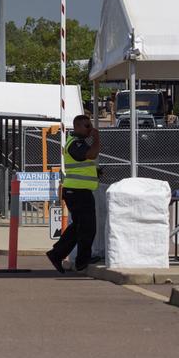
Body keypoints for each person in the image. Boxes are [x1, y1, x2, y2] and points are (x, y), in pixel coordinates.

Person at [46, 115, 100, 273]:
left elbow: (82, 164)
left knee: (78, 227)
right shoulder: (75, 143)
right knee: (87, 227)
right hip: (77, 192)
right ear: (77, 127)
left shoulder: (78, 142)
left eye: (90, 126)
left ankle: (57, 254)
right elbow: (91, 154)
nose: (90, 129)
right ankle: (82, 261)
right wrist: (97, 138)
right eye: (87, 126)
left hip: (78, 190)